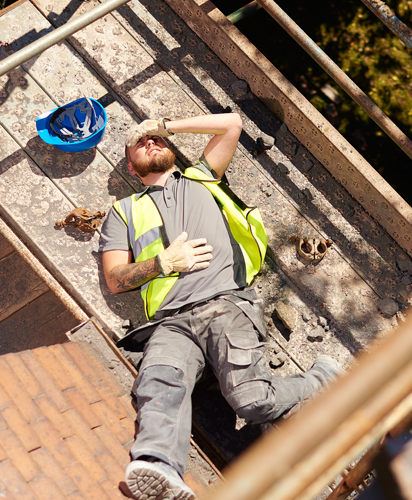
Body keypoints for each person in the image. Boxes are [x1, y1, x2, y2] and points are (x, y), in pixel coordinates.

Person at [99, 113, 342, 500]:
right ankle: (161, 468)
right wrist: (163, 263)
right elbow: (115, 280)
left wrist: (164, 125)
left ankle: (321, 378)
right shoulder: (122, 211)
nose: (149, 143)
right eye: (139, 143)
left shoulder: (200, 178)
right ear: (131, 166)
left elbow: (231, 124)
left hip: (225, 304)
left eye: (155, 140)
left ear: (170, 150)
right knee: (156, 383)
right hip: (171, 323)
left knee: (253, 402)